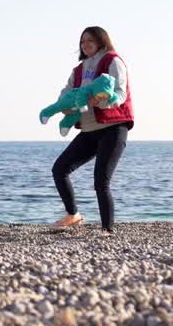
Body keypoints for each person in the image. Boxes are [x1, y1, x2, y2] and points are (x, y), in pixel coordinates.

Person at [47, 26, 135, 233]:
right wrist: (63, 107)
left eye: (90, 41)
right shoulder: (78, 70)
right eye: (82, 41)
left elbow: (120, 93)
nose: (85, 45)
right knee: (59, 169)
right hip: (88, 130)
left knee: (101, 181)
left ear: (102, 41)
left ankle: (107, 229)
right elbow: (66, 94)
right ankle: (73, 215)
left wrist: (103, 100)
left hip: (114, 127)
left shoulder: (112, 60)